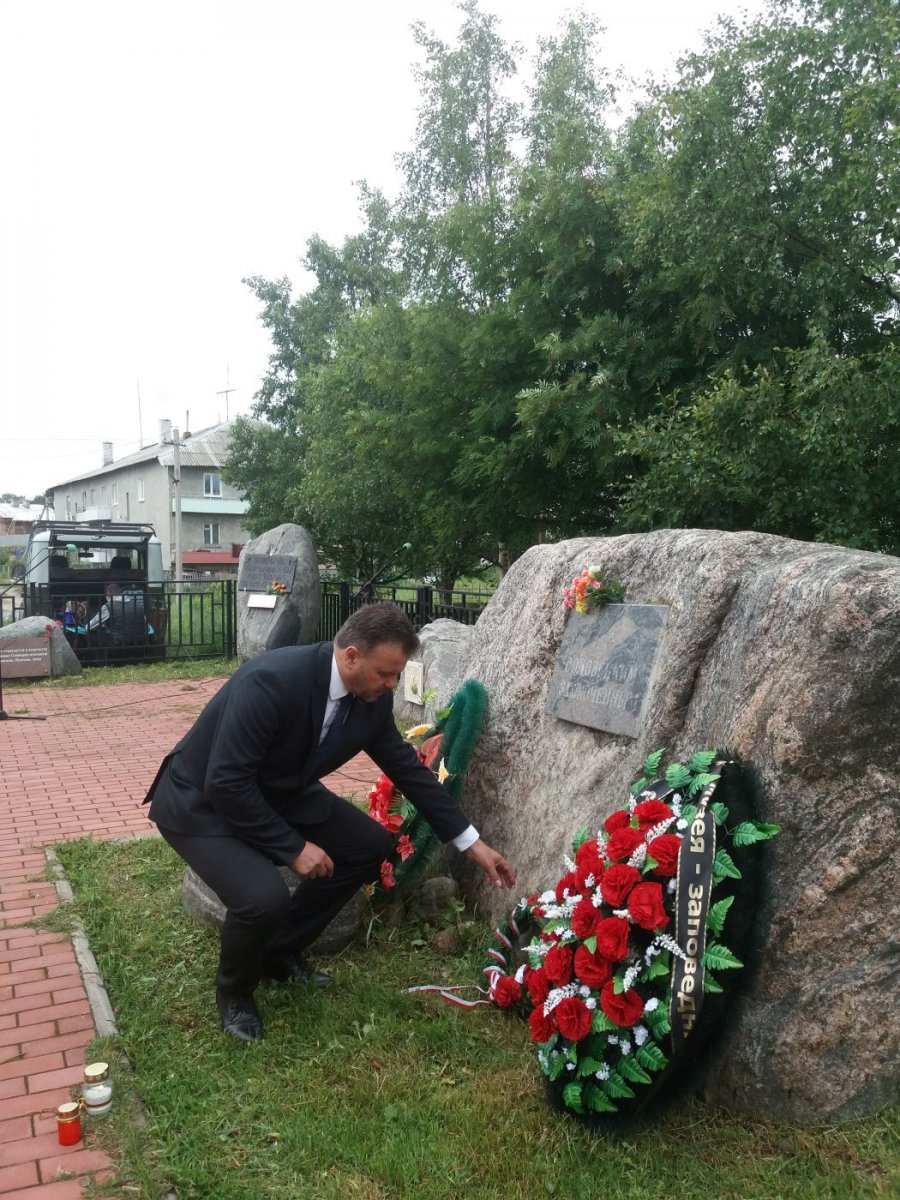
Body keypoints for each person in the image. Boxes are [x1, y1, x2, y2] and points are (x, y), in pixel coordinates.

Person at [144, 602, 516, 1042]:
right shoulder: (272, 680)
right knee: (262, 898)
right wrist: (293, 847)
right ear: (351, 655)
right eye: (386, 673)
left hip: (278, 790)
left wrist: (471, 842)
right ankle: (236, 992)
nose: (393, 685)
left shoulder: (371, 698)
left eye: (397, 675)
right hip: (201, 801)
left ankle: (277, 952)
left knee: (368, 844)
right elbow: (226, 782)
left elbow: (409, 771)